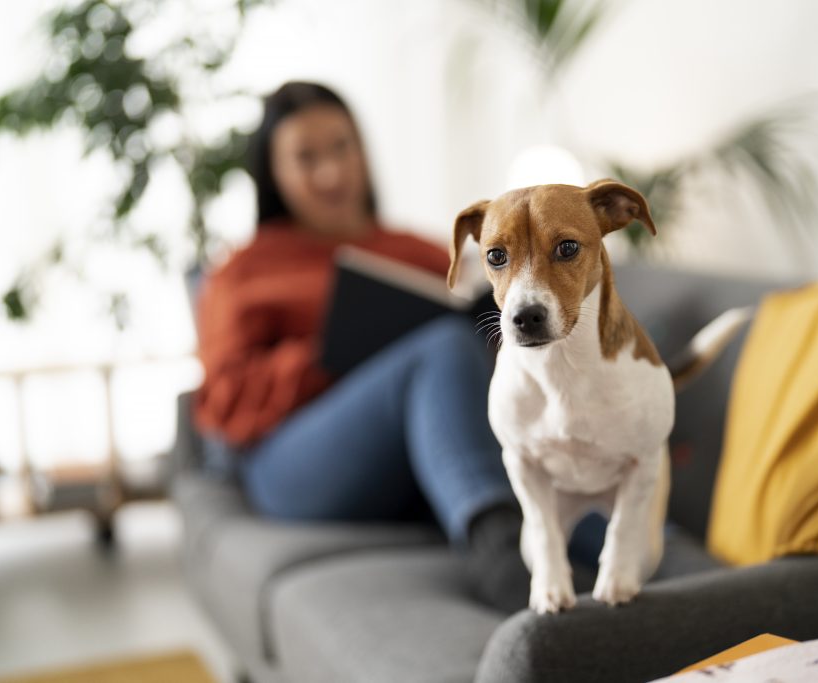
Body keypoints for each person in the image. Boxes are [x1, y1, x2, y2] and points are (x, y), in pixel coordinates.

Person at [194, 81, 602, 613]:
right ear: (275, 174)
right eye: (306, 157)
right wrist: (329, 353)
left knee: (476, 351)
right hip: (291, 463)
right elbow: (224, 403)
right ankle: (500, 550)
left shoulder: (416, 251)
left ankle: (656, 553)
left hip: (414, 452)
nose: (331, 173)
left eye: (341, 147)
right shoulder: (243, 271)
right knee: (440, 349)